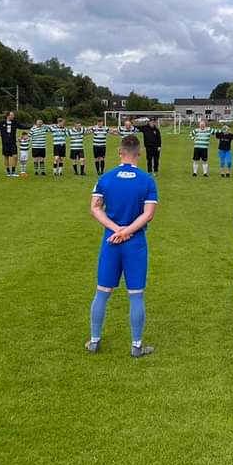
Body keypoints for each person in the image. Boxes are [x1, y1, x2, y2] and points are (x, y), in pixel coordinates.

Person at [86, 135, 159, 358]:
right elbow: (148, 214)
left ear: (119, 151)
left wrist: (116, 230)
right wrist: (126, 231)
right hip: (134, 242)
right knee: (136, 294)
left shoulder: (105, 178)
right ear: (140, 152)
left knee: (102, 292)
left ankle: (94, 341)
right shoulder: (147, 180)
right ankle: (136, 346)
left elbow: (95, 208)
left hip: (111, 241)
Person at [0, 112, 28, 177]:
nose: (13, 116)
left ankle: (13, 172)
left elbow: (21, 126)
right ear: (8, 116)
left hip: (13, 143)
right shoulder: (2, 123)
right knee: (6, 157)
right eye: (12, 115)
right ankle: (8, 171)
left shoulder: (14, 122)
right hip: (5, 143)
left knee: (15, 156)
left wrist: (31, 127)